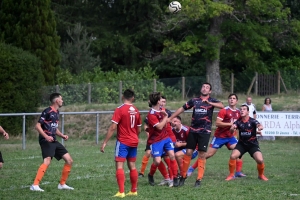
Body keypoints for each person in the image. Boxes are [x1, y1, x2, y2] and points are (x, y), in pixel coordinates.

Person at [169, 82, 224, 187]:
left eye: (207, 87)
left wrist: (210, 103)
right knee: (188, 152)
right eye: (203, 86)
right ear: (201, 89)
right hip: (193, 130)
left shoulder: (212, 100)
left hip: (205, 131)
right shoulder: (194, 100)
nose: (205, 88)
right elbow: (182, 108)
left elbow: (222, 106)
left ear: (210, 91)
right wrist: (171, 117)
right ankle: (183, 176)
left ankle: (198, 179)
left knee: (202, 154)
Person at [187, 93, 246, 178]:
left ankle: (238, 172)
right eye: (230, 98)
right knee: (208, 155)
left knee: (240, 150)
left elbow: (238, 124)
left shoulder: (238, 112)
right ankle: (191, 168)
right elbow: (218, 123)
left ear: (237, 101)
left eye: (233, 98)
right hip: (219, 137)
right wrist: (230, 124)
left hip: (230, 137)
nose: (232, 100)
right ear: (228, 100)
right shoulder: (224, 110)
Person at [101, 89, 142, 198]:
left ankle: (121, 192)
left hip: (123, 141)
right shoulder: (136, 110)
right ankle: (133, 190)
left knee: (119, 165)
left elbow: (113, 127)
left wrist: (105, 142)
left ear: (123, 96)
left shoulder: (120, 109)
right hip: (134, 141)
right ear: (133, 98)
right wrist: (134, 137)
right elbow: (139, 129)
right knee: (132, 165)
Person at [30, 93, 74, 192]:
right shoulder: (47, 111)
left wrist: (62, 135)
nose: (62, 101)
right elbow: (38, 126)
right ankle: (35, 185)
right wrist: (46, 136)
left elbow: (54, 128)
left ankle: (62, 184)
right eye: (61, 99)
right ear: (56, 101)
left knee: (69, 160)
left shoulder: (57, 112)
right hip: (45, 140)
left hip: (53, 140)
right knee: (47, 161)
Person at [226, 104, 268, 181]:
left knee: (260, 160)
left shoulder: (252, 121)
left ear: (248, 112)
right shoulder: (238, 122)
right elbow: (231, 131)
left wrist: (260, 127)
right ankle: (231, 175)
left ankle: (261, 175)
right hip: (241, 144)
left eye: (244, 109)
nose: (242, 110)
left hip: (252, 145)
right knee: (233, 156)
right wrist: (232, 128)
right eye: (241, 109)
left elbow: (258, 124)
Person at [146, 92, 178, 187]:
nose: (163, 102)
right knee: (157, 161)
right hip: (156, 140)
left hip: (166, 137)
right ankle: (150, 174)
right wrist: (165, 117)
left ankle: (175, 178)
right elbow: (159, 127)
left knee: (172, 155)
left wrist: (170, 122)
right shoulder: (151, 114)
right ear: (158, 101)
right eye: (161, 100)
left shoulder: (162, 109)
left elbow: (165, 121)